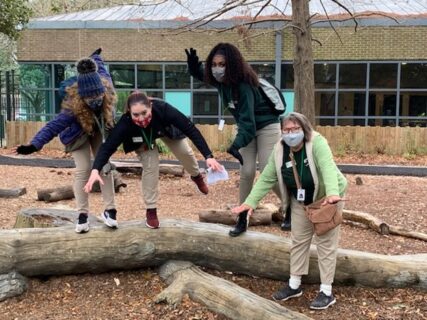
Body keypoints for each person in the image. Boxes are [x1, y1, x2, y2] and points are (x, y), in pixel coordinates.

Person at [231, 112, 347, 310]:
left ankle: (326, 291)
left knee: (325, 244)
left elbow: (328, 168)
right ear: (281, 131)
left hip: (326, 199)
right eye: (286, 130)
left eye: (295, 129)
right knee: (298, 241)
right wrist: (249, 203)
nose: (291, 134)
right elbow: (267, 177)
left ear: (304, 129)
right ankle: (294, 285)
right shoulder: (280, 149)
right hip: (300, 201)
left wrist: (333, 194)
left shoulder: (317, 143)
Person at [185, 43, 291, 235]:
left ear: (232, 65)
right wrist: (193, 67)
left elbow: (249, 124)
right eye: (214, 64)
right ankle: (242, 217)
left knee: (269, 169)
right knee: (247, 171)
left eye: (222, 64)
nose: (217, 69)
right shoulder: (220, 81)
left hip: (267, 126)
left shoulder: (244, 85)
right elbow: (202, 75)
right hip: (245, 128)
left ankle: (289, 208)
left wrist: (235, 145)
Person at [13, 48, 118, 234]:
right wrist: (34, 145)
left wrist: (95, 57)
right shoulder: (73, 107)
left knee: (105, 166)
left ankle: (110, 211)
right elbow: (53, 126)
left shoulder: (106, 87)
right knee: (83, 170)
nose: (95, 99)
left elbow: (101, 68)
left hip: (99, 130)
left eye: (97, 95)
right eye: (90, 97)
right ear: (83, 96)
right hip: (77, 136)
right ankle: (82, 215)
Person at [83, 91, 222, 229]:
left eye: (144, 113)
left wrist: (208, 156)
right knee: (151, 165)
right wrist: (95, 169)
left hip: (165, 130)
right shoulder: (125, 123)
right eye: (135, 115)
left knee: (185, 152)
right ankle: (151, 210)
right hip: (142, 140)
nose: (141, 118)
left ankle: (196, 175)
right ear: (129, 113)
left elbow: (190, 129)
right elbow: (107, 147)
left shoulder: (163, 109)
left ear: (150, 106)